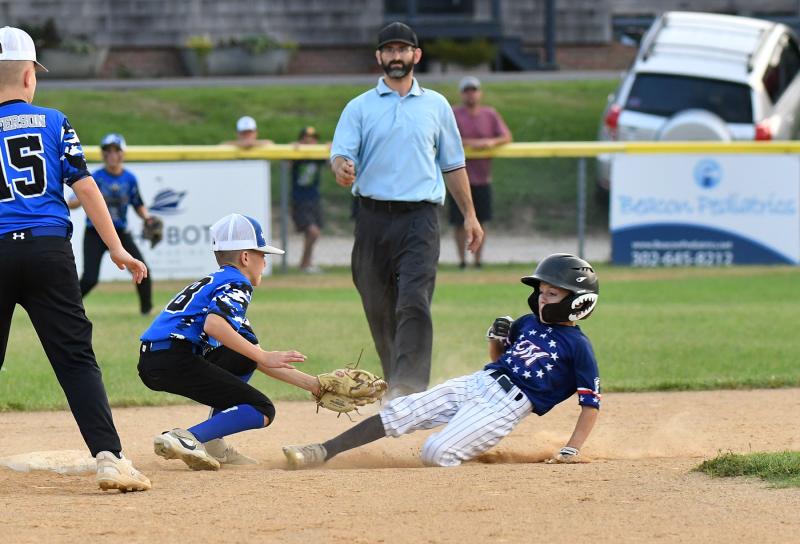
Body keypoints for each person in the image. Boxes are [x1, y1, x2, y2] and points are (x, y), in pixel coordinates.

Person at [0, 26, 150, 492]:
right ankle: (109, 457)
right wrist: (117, 248)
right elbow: (85, 187)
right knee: (75, 360)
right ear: (29, 77)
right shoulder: (52, 120)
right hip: (47, 248)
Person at [283, 253, 601, 469]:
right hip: (479, 381)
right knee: (399, 412)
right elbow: (500, 359)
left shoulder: (579, 347)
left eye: (552, 294)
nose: (542, 298)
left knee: (435, 452)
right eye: (542, 291)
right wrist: (495, 340)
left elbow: (590, 405)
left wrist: (572, 448)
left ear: (578, 302)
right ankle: (323, 451)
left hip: (507, 406)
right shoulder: (527, 322)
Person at [330, 21, 484, 399]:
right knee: (377, 303)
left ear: (416, 55)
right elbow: (340, 155)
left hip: (420, 219)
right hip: (372, 217)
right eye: (389, 50)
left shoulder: (436, 106)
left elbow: (453, 165)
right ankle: (394, 381)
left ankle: (410, 387)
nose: (396, 56)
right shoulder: (359, 107)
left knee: (413, 300)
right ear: (379, 56)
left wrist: (470, 215)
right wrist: (342, 168)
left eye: (403, 50)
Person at [138, 213, 324, 470]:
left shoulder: (216, 284)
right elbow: (214, 325)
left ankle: (214, 444)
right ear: (245, 257)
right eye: (262, 255)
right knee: (262, 408)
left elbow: (253, 353)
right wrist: (262, 356)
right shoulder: (238, 283)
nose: (265, 263)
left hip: (156, 359)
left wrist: (315, 385)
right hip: (176, 358)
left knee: (244, 354)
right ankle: (187, 438)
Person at [68, 133, 154, 315]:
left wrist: (147, 218)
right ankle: (68, 308)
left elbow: (137, 203)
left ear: (123, 154)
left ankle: (146, 311)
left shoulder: (129, 179)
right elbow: (75, 200)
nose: (112, 155)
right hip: (95, 232)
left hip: (121, 232)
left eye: (116, 150)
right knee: (90, 278)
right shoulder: (95, 177)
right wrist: (77, 199)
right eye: (108, 151)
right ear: (103, 154)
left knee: (142, 270)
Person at [450, 75, 512, 269]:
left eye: (474, 90)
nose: (471, 94)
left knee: (481, 221)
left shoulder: (489, 114)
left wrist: (491, 142)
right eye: (467, 91)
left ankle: (477, 260)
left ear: (480, 93)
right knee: (459, 222)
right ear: (461, 94)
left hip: (482, 178)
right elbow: (447, 138)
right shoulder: (453, 113)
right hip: (458, 179)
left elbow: (506, 136)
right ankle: (462, 260)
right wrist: (474, 144)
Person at [291, 126, 324, 273]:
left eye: (313, 138)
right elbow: (287, 163)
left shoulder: (317, 155)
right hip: (300, 200)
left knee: (313, 233)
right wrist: (295, 149)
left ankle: (307, 263)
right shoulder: (297, 154)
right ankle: (305, 263)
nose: (310, 141)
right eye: (306, 138)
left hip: (314, 198)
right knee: (313, 232)